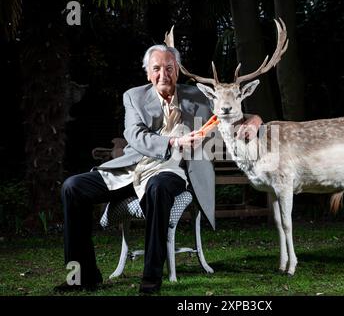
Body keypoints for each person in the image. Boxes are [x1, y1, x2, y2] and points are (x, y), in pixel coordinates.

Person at [55, 44, 263, 294]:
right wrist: (173, 141)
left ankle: (151, 279)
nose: (162, 74)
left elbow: (237, 115)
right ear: (147, 73)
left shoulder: (198, 96)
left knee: (158, 188)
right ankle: (82, 276)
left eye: (169, 68)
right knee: (73, 187)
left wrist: (255, 121)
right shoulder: (134, 96)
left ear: (177, 71)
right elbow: (134, 134)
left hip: (174, 168)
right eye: (156, 68)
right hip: (134, 166)